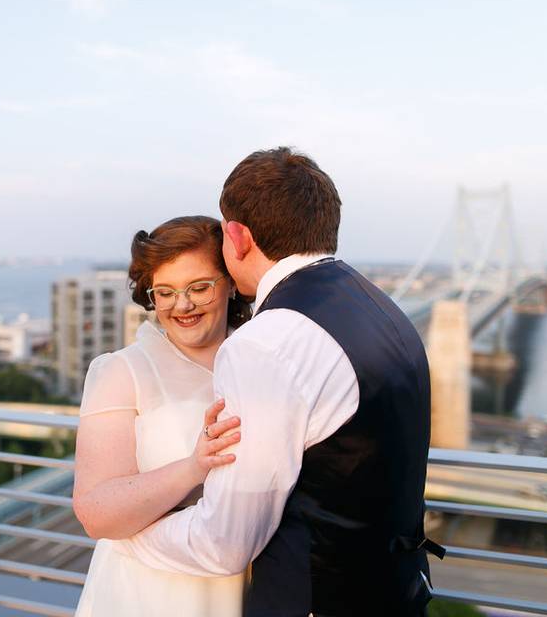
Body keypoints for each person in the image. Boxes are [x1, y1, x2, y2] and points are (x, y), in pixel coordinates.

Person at [116, 147, 444, 616]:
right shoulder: (383, 310)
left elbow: (225, 542)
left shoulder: (265, 343)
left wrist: (128, 536)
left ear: (237, 236)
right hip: (397, 594)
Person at [73, 215, 252, 617]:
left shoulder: (261, 362)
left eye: (199, 287)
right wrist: (193, 467)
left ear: (230, 285)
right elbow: (95, 513)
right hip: (145, 596)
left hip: (246, 591)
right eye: (165, 292)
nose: (182, 305)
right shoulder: (121, 370)